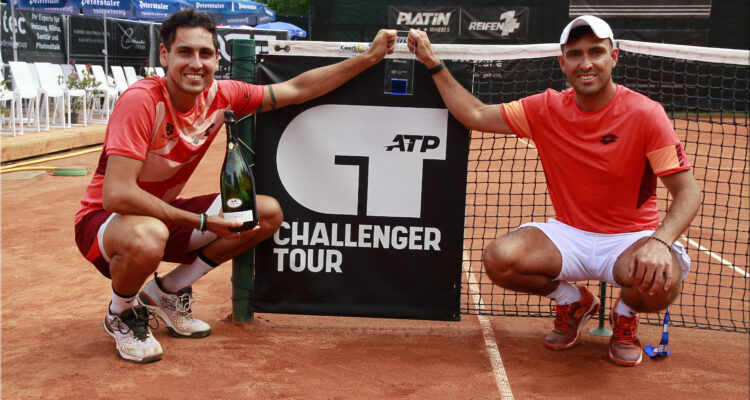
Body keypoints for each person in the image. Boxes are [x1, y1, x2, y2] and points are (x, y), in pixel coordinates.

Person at [74, 8, 396, 363]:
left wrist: (368, 57)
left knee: (264, 214)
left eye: (205, 53)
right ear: (164, 55)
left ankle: (168, 291)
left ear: (216, 58)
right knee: (149, 234)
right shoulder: (142, 101)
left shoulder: (222, 95)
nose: (196, 63)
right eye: (184, 52)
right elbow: (117, 194)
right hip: (105, 223)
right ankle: (121, 311)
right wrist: (199, 222)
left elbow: (297, 89)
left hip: (161, 218)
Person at [408, 15, 700, 366]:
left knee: (659, 282)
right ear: (563, 63)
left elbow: (688, 193)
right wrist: (432, 62)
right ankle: (573, 301)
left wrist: (659, 241)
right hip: (569, 235)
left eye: (596, 52)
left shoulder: (647, 115)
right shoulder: (544, 108)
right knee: (499, 260)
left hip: (630, 238)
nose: (586, 63)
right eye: (575, 54)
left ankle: (625, 314)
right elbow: (474, 114)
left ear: (614, 57)